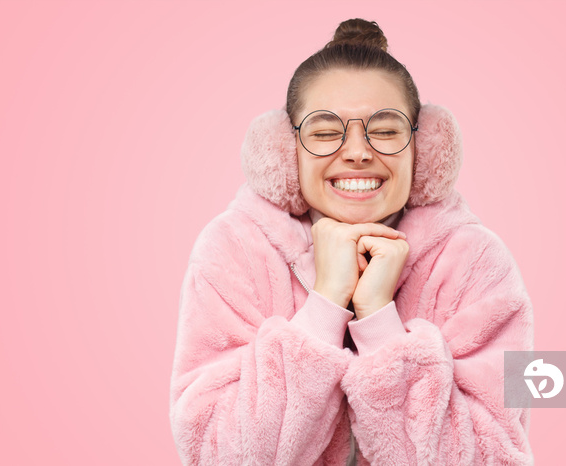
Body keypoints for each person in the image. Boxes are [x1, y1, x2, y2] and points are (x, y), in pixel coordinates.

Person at [169, 18, 534, 465]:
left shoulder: (476, 263)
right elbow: (215, 455)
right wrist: (324, 307)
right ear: (286, 150)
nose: (358, 151)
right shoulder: (233, 251)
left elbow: (494, 457)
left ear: (425, 149)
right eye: (324, 132)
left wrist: (381, 325)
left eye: (385, 129)